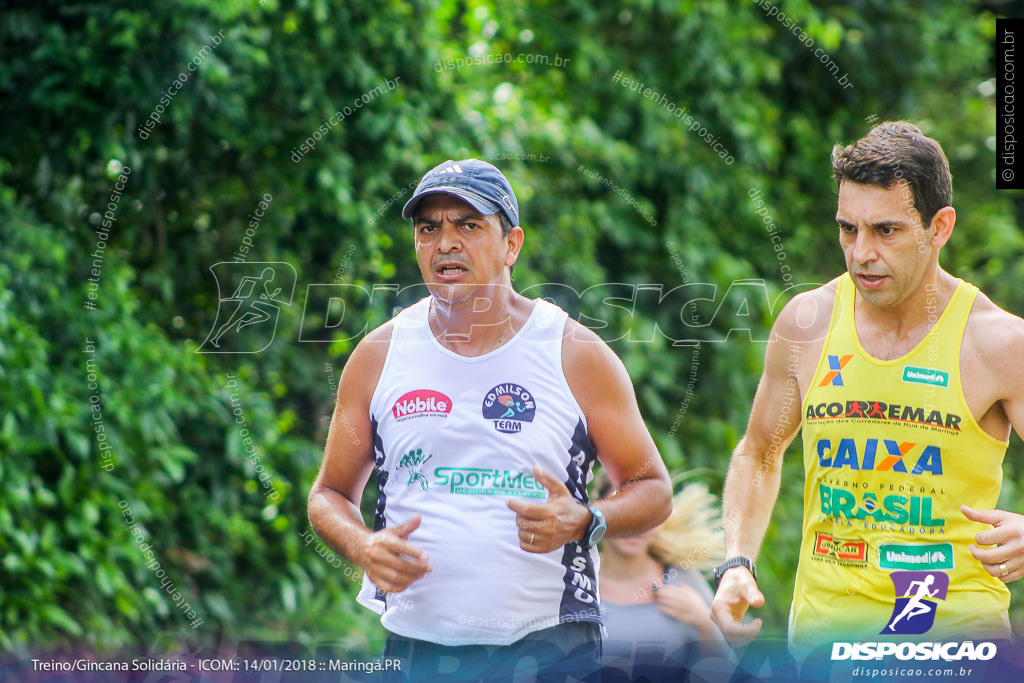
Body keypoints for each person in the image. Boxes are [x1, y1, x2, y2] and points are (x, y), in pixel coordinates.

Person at [307, 158, 673, 681]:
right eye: (428, 228)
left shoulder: (574, 353)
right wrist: (363, 545)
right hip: (417, 649)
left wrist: (587, 520)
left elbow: (653, 488)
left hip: (550, 646)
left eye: (469, 225)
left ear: (512, 245)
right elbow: (329, 495)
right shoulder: (379, 354)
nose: (445, 243)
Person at [709, 121, 1024, 659]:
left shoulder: (997, 342)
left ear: (939, 227)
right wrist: (737, 561)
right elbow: (759, 452)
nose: (861, 253)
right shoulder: (806, 323)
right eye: (847, 230)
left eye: (886, 231)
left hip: (951, 639)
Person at [595, 470, 730, 682]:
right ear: (598, 509)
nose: (637, 523)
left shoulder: (683, 580)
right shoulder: (576, 582)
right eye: (625, 509)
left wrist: (705, 623)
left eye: (648, 510)